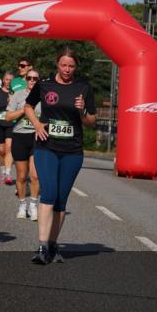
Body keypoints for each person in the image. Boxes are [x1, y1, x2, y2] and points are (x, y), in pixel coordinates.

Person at [24, 46, 96, 265]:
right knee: (49, 193)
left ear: (76, 66)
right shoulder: (45, 84)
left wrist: (83, 111)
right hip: (46, 147)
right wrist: (37, 124)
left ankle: (53, 245)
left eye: (71, 66)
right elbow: (28, 106)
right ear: (57, 64)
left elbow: (91, 122)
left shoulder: (83, 87)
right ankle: (42, 246)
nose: (67, 69)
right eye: (63, 65)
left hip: (72, 151)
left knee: (61, 200)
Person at [5, 71, 42, 220]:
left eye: (35, 78)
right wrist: (25, 109)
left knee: (35, 175)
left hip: (37, 137)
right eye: (29, 78)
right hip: (20, 136)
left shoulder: (44, 95)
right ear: (25, 80)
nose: (32, 80)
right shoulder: (18, 95)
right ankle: (22, 205)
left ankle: (33, 205)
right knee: (21, 176)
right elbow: (8, 117)